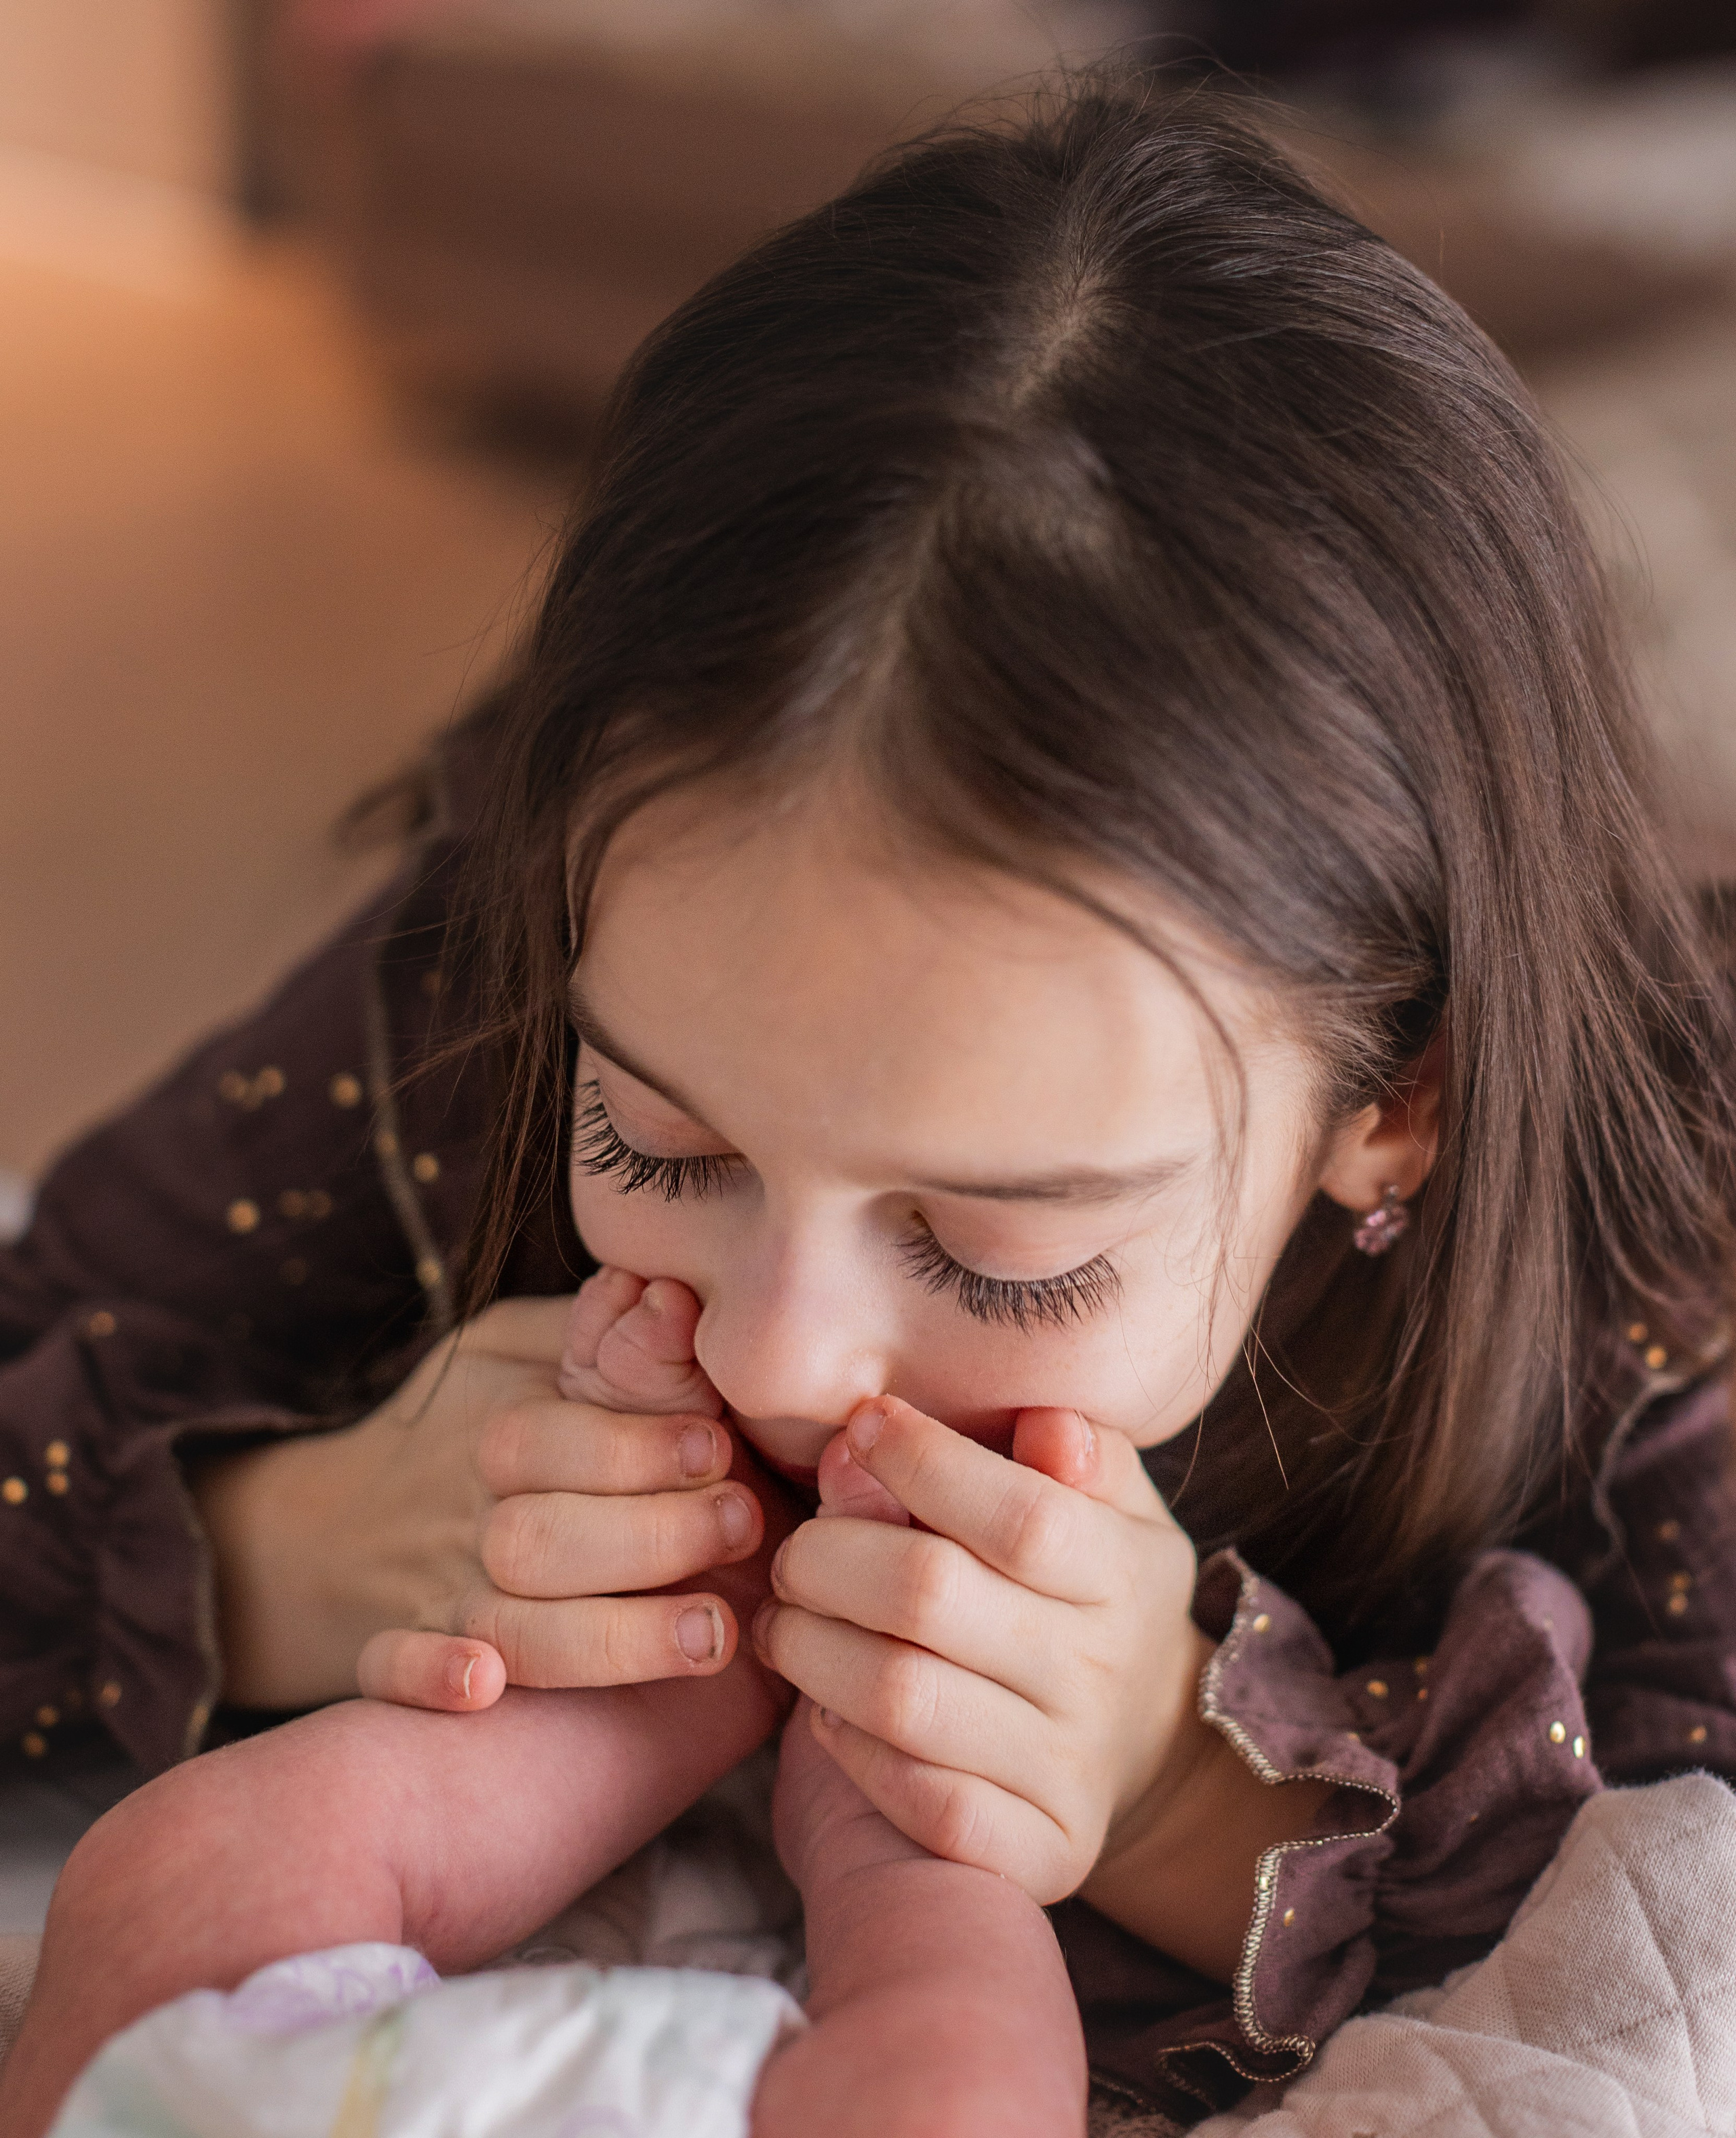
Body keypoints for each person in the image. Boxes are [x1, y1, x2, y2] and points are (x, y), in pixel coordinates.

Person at [3, 73, 1735, 2135]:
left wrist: (1188, 1795)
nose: (776, 1350)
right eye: (660, 1149)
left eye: (995, 1245)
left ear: (1400, 1103)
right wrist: (284, 1540)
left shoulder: (1658, 1253)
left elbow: (1673, 1920)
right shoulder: (514, 976)